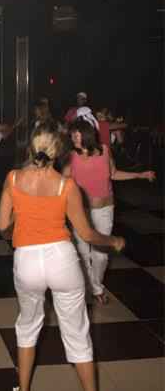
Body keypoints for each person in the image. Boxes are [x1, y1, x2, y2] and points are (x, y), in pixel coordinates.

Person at [0, 122, 125, 391]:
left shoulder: (13, 178)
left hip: (27, 260)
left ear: (30, 147)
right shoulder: (67, 185)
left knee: (27, 327)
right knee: (77, 334)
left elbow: (2, 226)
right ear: (59, 153)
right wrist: (112, 241)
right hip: (62, 260)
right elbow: (87, 234)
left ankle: (23, 388)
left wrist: (20, 225)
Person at [65, 119, 155, 304]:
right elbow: (61, 181)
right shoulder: (72, 157)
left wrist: (139, 175)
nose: (73, 137)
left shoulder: (105, 151)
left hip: (105, 209)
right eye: (72, 134)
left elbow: (113, 174)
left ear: (87, 134)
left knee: (100, 255)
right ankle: (93, 288)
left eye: (77, 134)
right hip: (81, 211)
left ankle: (95, 284)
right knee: (83, 252)